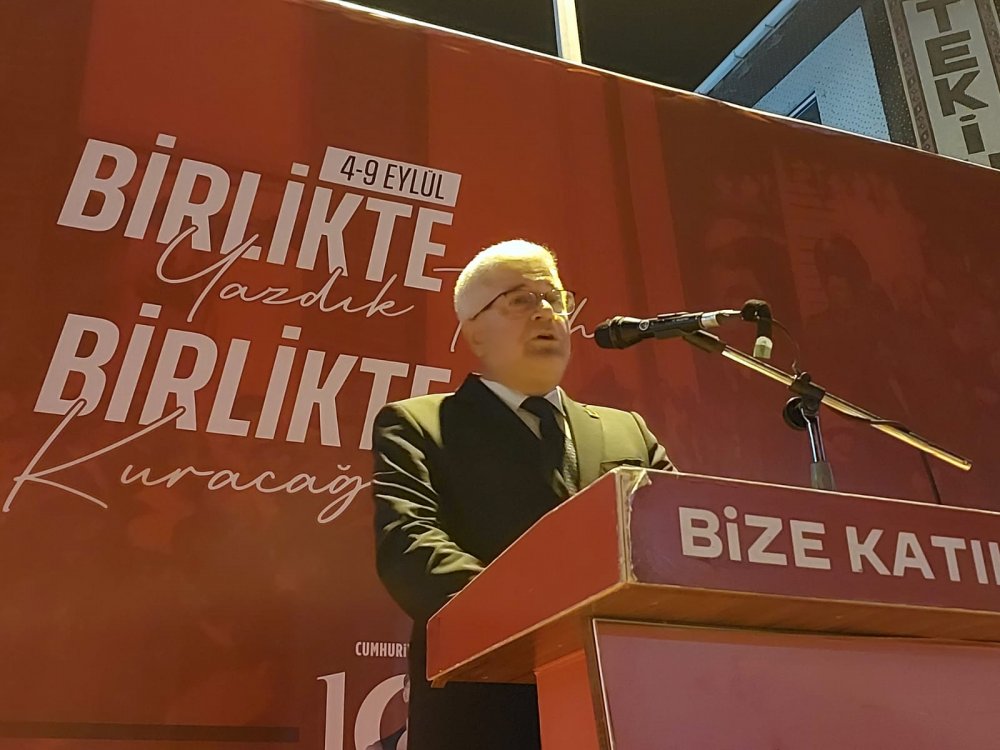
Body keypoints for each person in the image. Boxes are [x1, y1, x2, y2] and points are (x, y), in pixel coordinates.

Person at [371, 239, 673, 750]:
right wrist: (548, 624)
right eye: (520, 300)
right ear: (473, 331)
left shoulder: (629, 432)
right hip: (487, 708)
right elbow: (410, 546)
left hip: (627, 702)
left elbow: (678, 542)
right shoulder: (419, 426)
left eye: (554, 298)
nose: (546, 312)